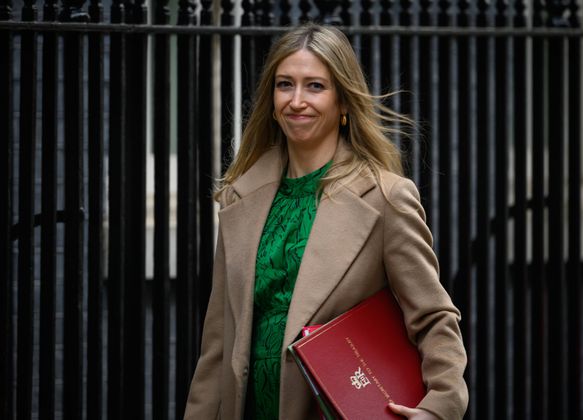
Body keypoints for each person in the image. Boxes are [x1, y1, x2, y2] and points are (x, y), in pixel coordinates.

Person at [184, 23, 468, 420]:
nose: (296, 100)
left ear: (344, 102)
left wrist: (440, 407)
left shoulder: (386, 198)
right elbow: (217, 344)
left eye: (315, 86)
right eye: (285, 85)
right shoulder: (239, 197)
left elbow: (434, 317)